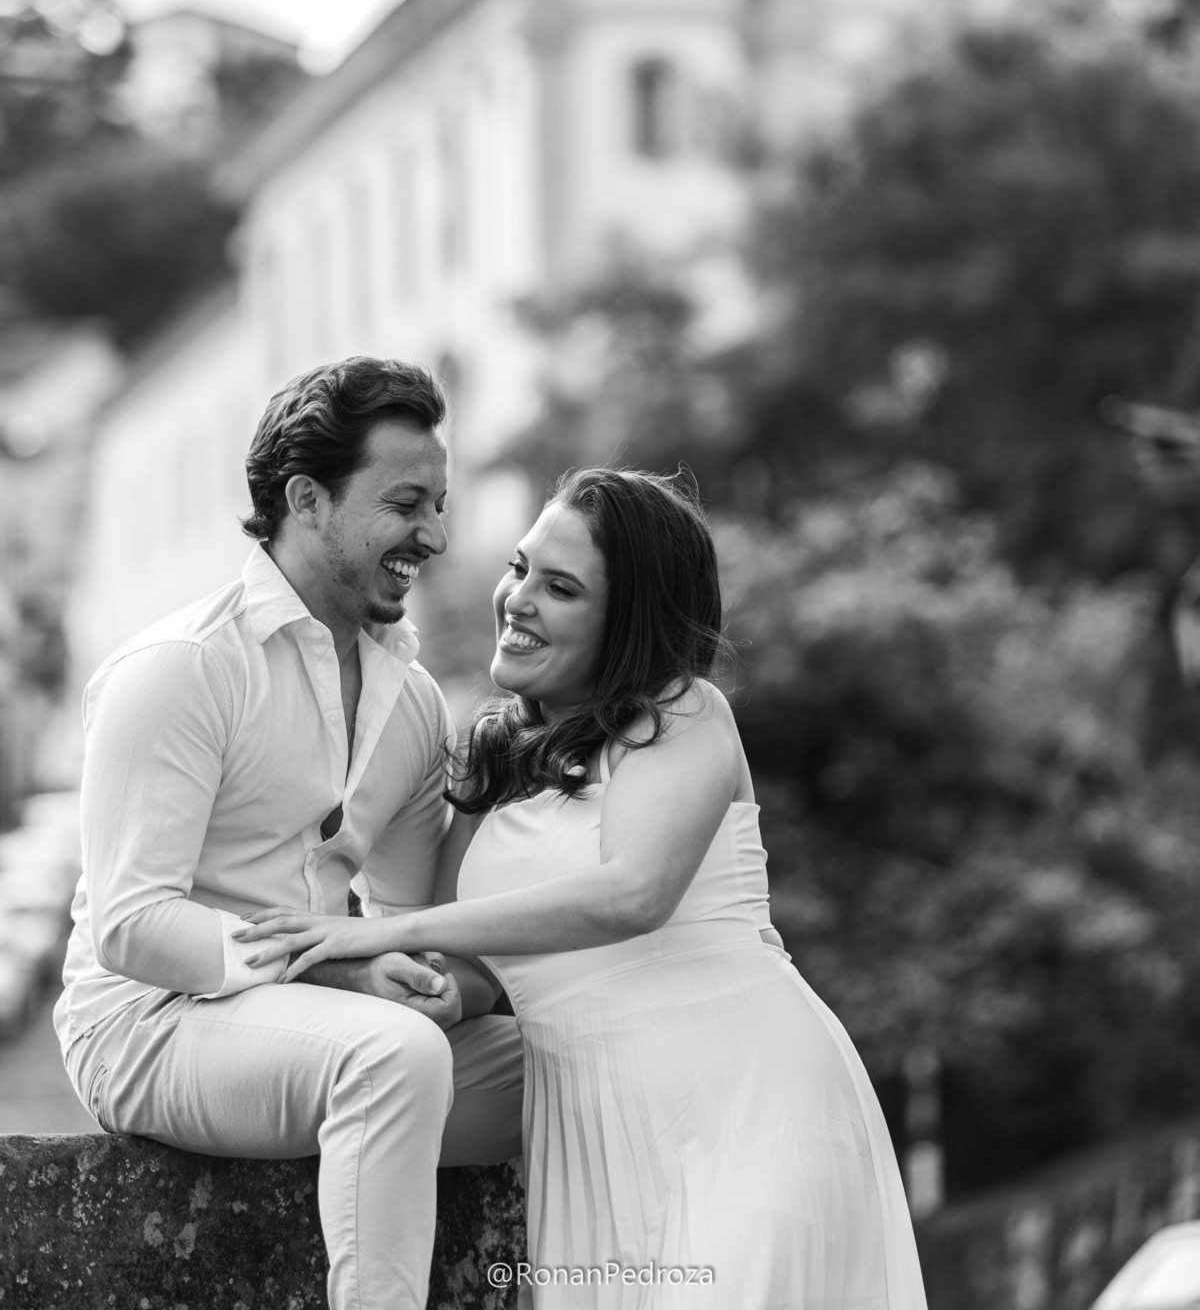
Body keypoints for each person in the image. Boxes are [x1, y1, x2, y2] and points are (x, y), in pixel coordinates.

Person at [238, 467, 929, 1310]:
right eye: (520, 568)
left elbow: (635, 892)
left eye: (560, 588)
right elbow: (476, 964)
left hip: (746, 1105)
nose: (518, 600)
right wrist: (429, 990)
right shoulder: (492, 760)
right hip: (589, 1139)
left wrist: (378, 932)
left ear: (627, 622)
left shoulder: (681, 714)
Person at [54, 356, 524, 1310]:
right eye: (405, 504)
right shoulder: (182, 668)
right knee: (390, 1058)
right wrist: (337, 975)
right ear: (307, 499)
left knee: (579, 1063)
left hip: (325, 1032)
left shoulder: (412, 700)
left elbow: (409, 917)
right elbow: (131, 926)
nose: (435, 536)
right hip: (148, 1024)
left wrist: (436, 983)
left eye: (439, 505)